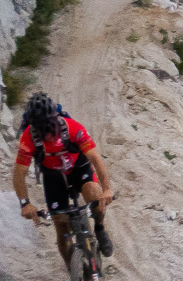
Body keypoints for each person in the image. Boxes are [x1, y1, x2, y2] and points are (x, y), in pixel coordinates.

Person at [11, 90, 115, 258]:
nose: (49, 136)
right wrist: (25, 204)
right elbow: (19, 174)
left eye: (51, 129)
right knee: (61, 228)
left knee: (95, 196)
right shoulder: (28, 138)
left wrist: (107, 189)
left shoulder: (72, 127)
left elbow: (95, 159)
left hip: (78, 166)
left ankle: (100, 228)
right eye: (42, 132)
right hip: (53, 176)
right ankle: (74, 273)